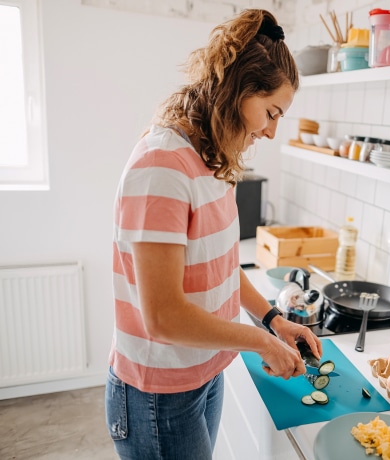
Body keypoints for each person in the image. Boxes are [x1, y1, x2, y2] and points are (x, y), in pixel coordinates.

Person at [105, 9, 322, 460]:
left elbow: (221, 268)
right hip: (157, 395)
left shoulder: (214, 161)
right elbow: (162, 316)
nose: (271, 130)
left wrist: (273, 321)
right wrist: (260, 342)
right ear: (241, 89)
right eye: (271, 112)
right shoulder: (162, 164)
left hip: (204, 373)